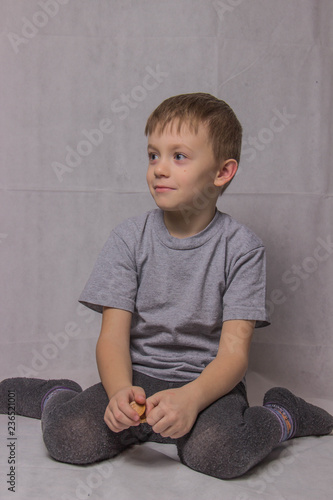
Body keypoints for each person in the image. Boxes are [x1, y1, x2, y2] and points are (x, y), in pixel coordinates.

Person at [1, 93, 332, 480]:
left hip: (208, 386)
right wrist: (120, 391)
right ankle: (56, 395)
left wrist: (191, 398)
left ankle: (283, 413)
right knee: (69, 437)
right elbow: (112, 338)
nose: (159, 169)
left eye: (179, 156)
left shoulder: (242, 249)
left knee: (219, 453)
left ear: (222, 172)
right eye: (153, 155)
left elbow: (233, 355)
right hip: (137, 376)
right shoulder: (129, 238)